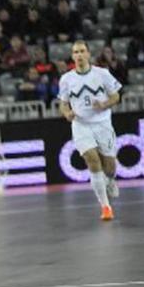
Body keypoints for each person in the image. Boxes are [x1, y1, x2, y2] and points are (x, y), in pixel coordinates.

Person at [58, 41, 122, 221]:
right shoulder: (66, 79)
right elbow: (63, 104)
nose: (79, 55)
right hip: (81, 125)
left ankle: (110, 180)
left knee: (109, 166)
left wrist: (104, 104)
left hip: (102, 124)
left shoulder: (102, 74)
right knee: (92, 159)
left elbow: (116, 96)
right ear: (72, 56)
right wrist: (67, 114)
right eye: (75, 52)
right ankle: (105, 207)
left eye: (82, 51)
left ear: (88, 54)